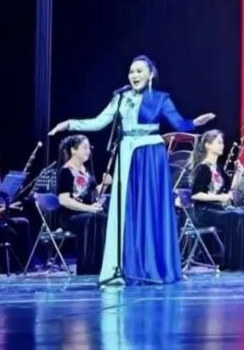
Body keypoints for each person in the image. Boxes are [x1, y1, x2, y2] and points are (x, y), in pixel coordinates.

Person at [49, 55, 214, 284]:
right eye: (131, 71)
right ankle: (128, 265)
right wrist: (69, 124)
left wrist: (196, 122)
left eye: (139, 71)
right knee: (128, 209)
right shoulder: (121, 98)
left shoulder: (160, 98)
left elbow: (180, 124)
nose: (134, 75)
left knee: (150, 208)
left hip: (150, 154)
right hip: (127, 152)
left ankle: (155, 266)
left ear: (150, 74)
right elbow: (98, 122)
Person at [189, 130, 244, 271]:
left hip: (218, 209)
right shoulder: (203, 168)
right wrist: (219, 197)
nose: (222, 145)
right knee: (237, 216)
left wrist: (239, 173)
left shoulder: (217, 168)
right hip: (204, 211)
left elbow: (230, 187)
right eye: (218, 142)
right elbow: (195, 194)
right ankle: (235, 262)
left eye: (222, 143)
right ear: (208, 145)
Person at [56, 135, 110, 275]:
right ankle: (87, 269)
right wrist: (89, 208)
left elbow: (92, 194)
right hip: (70, 216)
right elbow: (64, 200)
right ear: (73, 150)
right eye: (84, 148)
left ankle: (100, 266)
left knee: (104, 217)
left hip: (87, 212)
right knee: (92, 218)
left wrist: (104, 185)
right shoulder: (66, 171)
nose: (88, 151)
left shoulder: (85, 170)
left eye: (88, 148)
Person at [0, 150, 32, 270]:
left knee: (23, 223)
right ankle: (5, 266)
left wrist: (8, 203)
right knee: (5, 230)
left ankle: (25, 265)